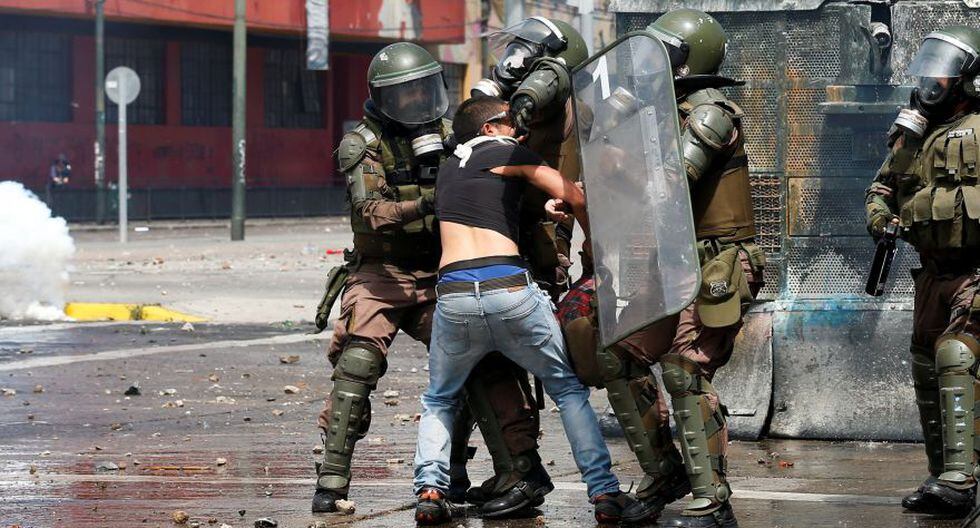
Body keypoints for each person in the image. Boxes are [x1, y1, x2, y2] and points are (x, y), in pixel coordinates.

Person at [552, 10, 766, 527]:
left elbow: (672, 183)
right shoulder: (656, 115)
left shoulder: (710, 111)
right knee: (617, 354)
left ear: (683, 59)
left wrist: (617, 164)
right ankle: (664, 472)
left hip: (718, 261)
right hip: (670, 258)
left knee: (683, 367)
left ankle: (713, 498)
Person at [311, 42, 541, 514]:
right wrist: (428, 205)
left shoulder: (449, 134)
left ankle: (517, 471)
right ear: (382, 97)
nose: (416, 102)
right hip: (381, 273)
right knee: (357, 365)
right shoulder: (363, 143)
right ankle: (332, 482)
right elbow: (370, 212)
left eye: (423, 90)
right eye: (405, 94)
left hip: (441, 270)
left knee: (481, 362)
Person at [412, 95, 641, 525]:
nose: (517, 128)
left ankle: (430, 491)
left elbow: (490, 203)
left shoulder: (447, 171)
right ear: (487, 131)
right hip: (509, 291)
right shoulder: (504, 151)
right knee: (568, 390)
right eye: (507, 121)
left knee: (440, 398)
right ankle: (605, 494)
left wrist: (542, 207)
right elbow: (571, 193)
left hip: (455, 296)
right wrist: (595, 249)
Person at [866, 25, 980, 518]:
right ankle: (942, 478)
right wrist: (879, 217)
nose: (932, 78)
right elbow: (882, 188)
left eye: (943, 69)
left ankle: (961, 477)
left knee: (956, 356)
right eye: (929, 65)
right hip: (930, 273)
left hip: (976, 268)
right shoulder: (912, 131)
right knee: (926, 367)